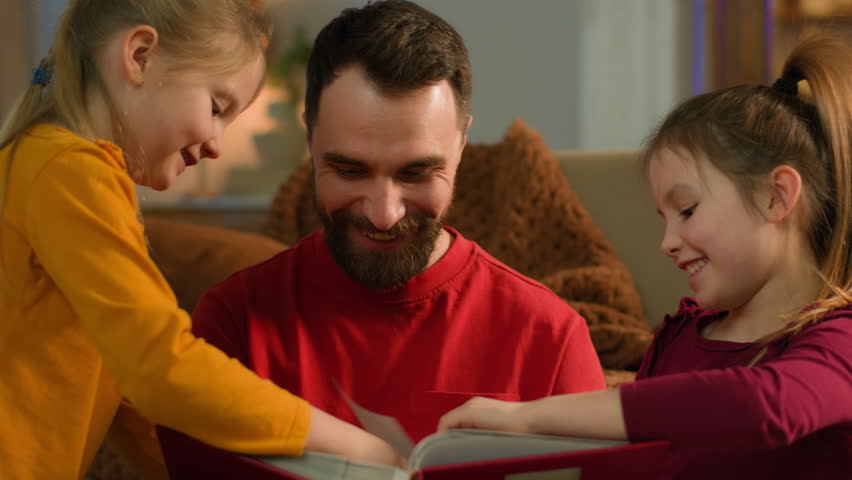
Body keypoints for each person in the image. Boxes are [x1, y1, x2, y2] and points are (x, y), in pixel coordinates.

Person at [158, 0, 606, 469]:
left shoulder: (549, 339)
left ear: (460, 144)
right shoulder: (233, 324)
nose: (385, 214)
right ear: (310, 140)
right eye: (349, 170)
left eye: (417, 174)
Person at [0, 1, 406, 479]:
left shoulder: (44, 165)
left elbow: (132, 399)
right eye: (217, 107)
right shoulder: (70, 171)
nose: (216, 143)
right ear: (140, 55)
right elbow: (160, 367)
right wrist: (358, 446)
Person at [438, 34, 852, 480]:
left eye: (688, 210)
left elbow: (766, 406)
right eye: (664, 218)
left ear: (777, 196)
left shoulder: (841, 339)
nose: (667, 242)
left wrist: (526, 417)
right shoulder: (679, 339)